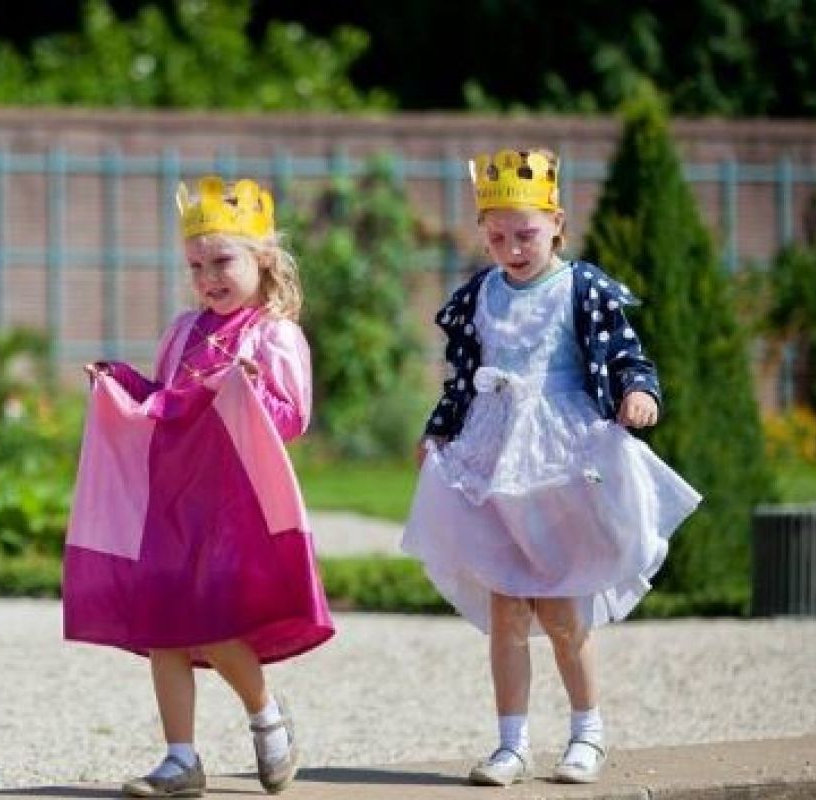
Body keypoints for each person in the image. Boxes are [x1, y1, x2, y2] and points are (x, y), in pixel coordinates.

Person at [400, 149, 701, 786]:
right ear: (484, 234)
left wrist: (639, 392)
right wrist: (440, 430)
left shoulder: (582, 288)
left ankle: (586, 732)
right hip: (492, 456)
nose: (512, 248)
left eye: (526, 234)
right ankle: (511, 744)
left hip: (562, 461)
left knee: (563, 612)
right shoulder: (478, 296)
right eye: (498, 236)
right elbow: (463, 379)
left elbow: (626, 355)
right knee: (508, 610)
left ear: (557, 223)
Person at [63, 176, 334, 798]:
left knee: (211, 624)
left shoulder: (274, 336)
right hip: (175, 499)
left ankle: (266, 716)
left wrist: (254, 385)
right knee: (166, 627)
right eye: (196, 265)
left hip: (232, 505)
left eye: (222, 261)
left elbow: (289, 422)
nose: (209, 276)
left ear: (262, 258)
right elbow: (167, 401)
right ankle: (180, 758)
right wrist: (122, 381)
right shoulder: (185, 331)